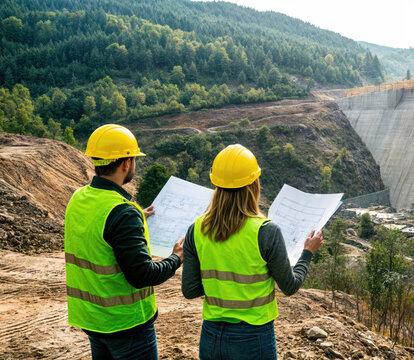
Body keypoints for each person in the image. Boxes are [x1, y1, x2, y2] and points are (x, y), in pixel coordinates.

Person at [182, 144, 323, 360]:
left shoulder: (197, 229)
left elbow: (190, 290)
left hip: (211, 337)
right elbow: (290, 286)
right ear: (253, 184)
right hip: (252, 338)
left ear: (216, 185)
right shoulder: (266, 231)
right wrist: (307, 253)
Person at [65, 124, 184, 359]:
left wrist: (136, 215)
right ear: (126, 163)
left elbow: (100, 230)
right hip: (126, 325)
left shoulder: (79, 198)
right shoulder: (122, 213)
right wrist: (176, 258)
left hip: (92, 319)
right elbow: (143, 275)